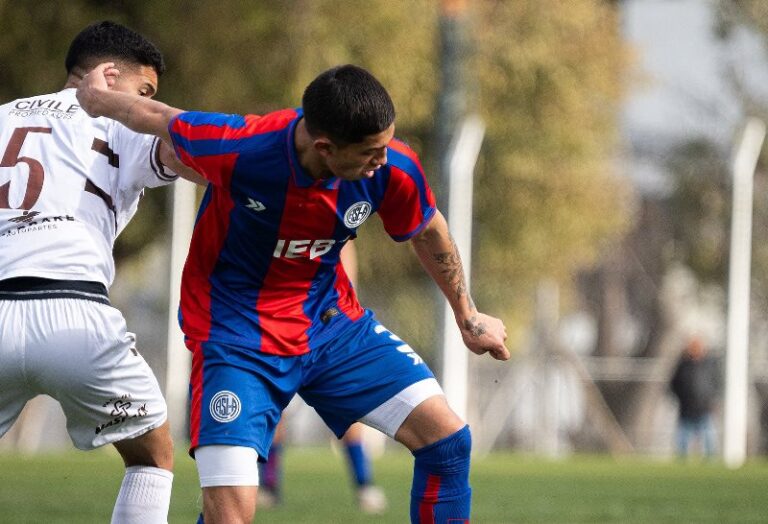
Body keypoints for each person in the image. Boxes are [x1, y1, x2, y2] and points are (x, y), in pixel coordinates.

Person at [77, 62, 510, 524]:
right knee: (230, 515)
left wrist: (468, 315)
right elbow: (157, 116)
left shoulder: (393, 167)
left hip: (332, 327)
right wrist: (93, 98)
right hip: (235, 338)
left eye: (385, 146)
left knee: (448, 441)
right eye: (369, 152)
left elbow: (429, 231)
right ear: (324, 147)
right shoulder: (243, 147)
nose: (382, 161)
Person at [0, 21, 200, 523]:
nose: (146, 103)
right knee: (152, 455)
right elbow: (200, 152)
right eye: (145, 91)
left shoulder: (3, 116)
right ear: (109, 76)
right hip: (74, 314)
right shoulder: (119, 122)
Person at [258, 244, 388, 514]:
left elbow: (345, 250)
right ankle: (269, 486)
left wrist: (343, 305)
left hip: (324, 324)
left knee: (348, 406)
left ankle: (364, 484)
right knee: (274, 407)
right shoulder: (276, 225)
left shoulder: (334, 224)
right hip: (279, 323)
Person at [669, 336, 721, 459]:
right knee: (683, 438)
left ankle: (710, 460)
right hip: (686, 409)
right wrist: (682, 398)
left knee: (709, 436)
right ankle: (681, 460)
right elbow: (674, 384)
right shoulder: (683, 365)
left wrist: (712, 400)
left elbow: (716, 384)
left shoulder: (709, 365)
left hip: (704, 408)